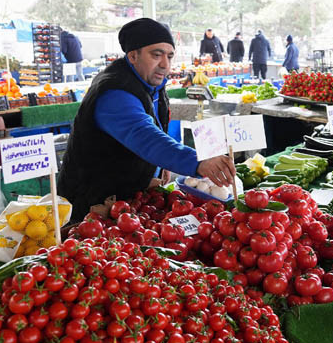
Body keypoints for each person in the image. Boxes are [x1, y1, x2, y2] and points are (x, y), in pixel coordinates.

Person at [58, 18, 236, 221]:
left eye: (170, 56)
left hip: (124, 199)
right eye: (156, 55)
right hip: (92, 204)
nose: (165, 64)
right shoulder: (115, 91)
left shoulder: (149, 83)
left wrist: (162, 164)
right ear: (133, 55)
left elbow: (156, 124)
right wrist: (197, 161)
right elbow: (145, 136)